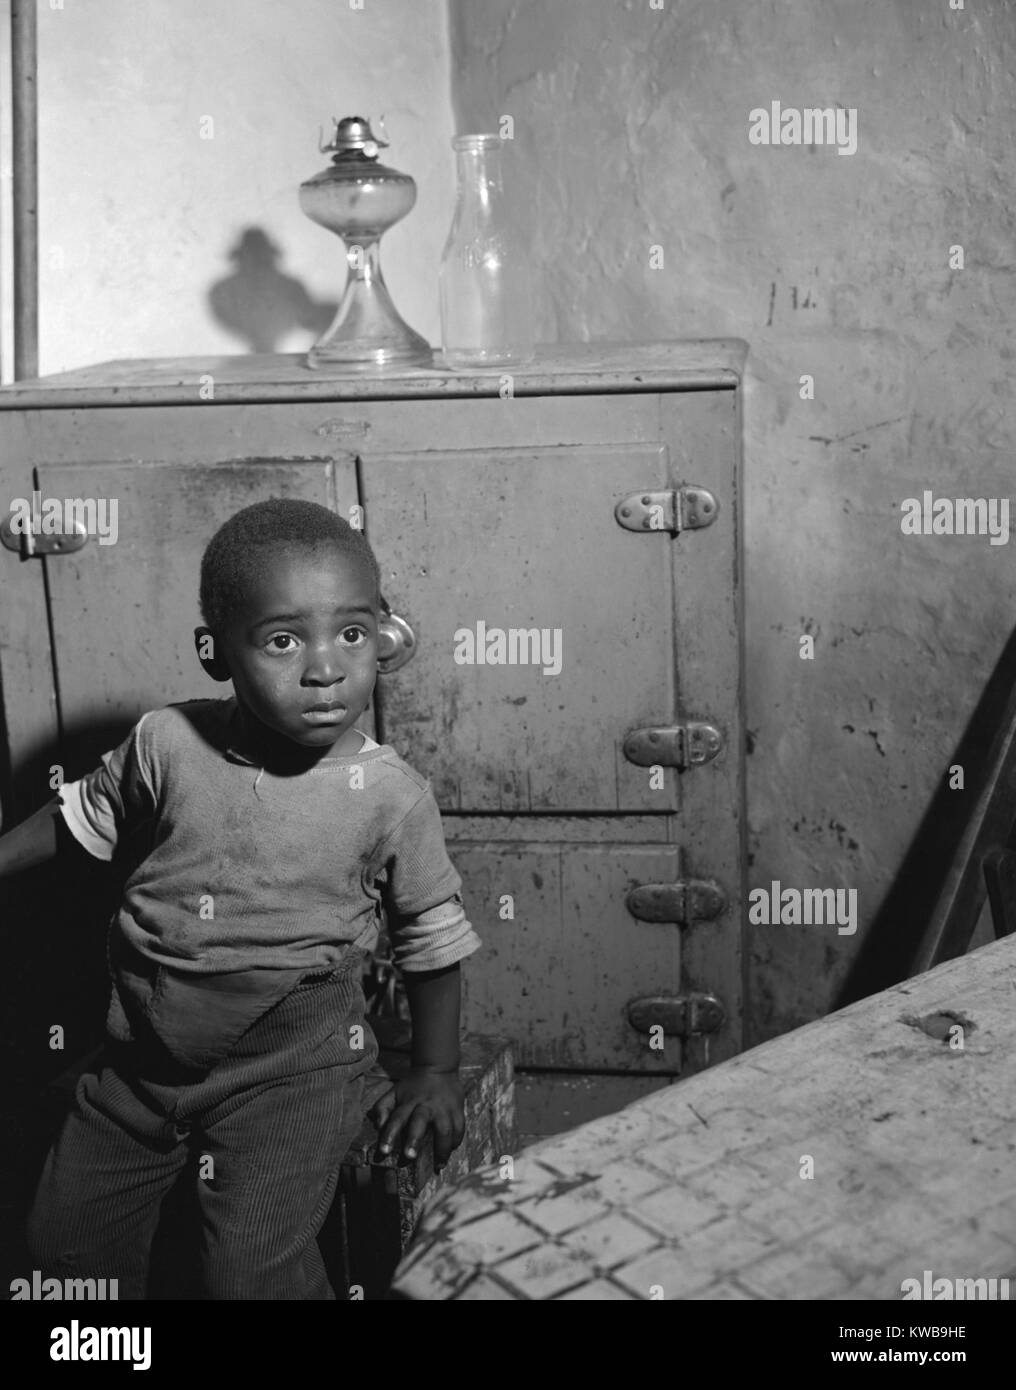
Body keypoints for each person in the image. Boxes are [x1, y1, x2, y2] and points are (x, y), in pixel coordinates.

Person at [0, 497, 480, 1299]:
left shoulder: (388, 796)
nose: (325, 668)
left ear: (382, 638)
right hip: (140, 1058)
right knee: (64, 1249)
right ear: (215, 652)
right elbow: (76, 818)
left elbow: (431, 938)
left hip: (290, 1070)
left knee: (247, 1273)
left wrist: (434, 1069)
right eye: (284, 640)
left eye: (352, 634)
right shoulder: (165, 744)